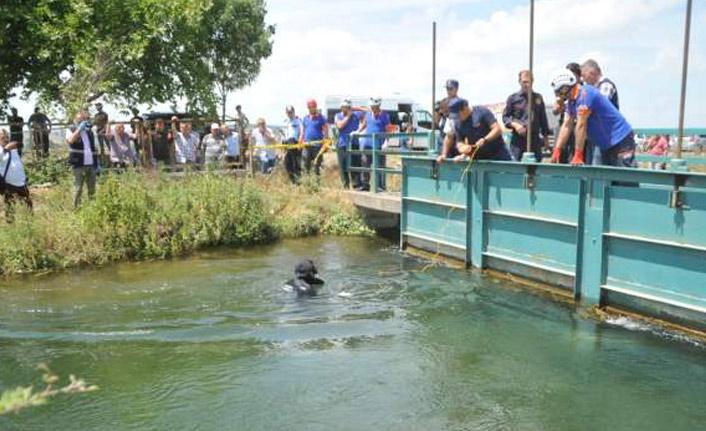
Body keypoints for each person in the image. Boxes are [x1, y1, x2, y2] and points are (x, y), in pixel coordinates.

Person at [549, 68, 636, 168]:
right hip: (605, 143)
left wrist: (578, 155)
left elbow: (581, 125)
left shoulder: (585, 94)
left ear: (566, 86)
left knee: (625, 178)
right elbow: (566, 126)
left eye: (559, 91)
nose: (557, 95)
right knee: (605, 179)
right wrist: (557, 150)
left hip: (621, 139)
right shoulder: (571, 102)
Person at [503, 70, 551, 162]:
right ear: (519, 81)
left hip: (535, 140)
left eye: (529, 81)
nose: (527, 84)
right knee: (517, 168)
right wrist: (516, 125)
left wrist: (546, 139)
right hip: (518, 141)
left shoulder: (538, 98)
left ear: (533, 81)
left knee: (535, 169)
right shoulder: (512, 98)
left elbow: (543, 119)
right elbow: (506, 117)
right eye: (524, 82)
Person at [581, 59, 620, 164]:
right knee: (592, 167)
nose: (583, 79)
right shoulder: (593, 88)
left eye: (584, 76)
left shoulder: (606, 85)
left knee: (598, 167)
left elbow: (598, 107)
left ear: (592, 73)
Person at [356, 97, 390, 191]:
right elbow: (365, 124)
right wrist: (358, 131)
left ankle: (380, 186)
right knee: (365, 164)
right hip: (367, 144)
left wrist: (386, 142)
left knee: (380, 166)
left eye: (374, 106)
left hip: (379, 145)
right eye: (371, 106)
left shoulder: (384, 115)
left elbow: (388, 130)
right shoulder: (368, 113)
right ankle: (365, 185)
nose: (372, 107)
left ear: (378, 105)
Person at [65, 111, 98, 208]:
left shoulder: (89, 132)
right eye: (80, 120)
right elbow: (70, 140)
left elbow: (92, 148)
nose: (83, 121)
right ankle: (76, 209)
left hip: (91, 164)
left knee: (92, 189)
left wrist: (97, 163)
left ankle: (93, 208)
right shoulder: (71, 129)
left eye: (84, 119)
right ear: (75, 120)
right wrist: (79, 129)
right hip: (78, 164)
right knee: (78, 189)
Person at [0, 129, 32, 222]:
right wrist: (6, 149)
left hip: (21, 183)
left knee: (28, 205)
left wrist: (24, 178)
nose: (6, 139)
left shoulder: (13, 150)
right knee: (10, 208)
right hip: (8, 184)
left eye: (7, 137)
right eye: (2, 138)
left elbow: (18, 164)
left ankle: (30, 224)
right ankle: (11, 228)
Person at [552, 62, 582, 163]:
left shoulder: (583, 91)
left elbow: (582, 124)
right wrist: (561, 102)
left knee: (575, 157)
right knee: (561, 156)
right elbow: (555, 111)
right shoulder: (563, 89)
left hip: (579, 127)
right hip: (565, 125)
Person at [334, 99, 362, 189]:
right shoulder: (338, 116)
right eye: (343, 107)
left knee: (355, 165)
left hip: (354, 143)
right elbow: (339, 126)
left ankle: (356, 185)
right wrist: (347, 117)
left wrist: (355, 108)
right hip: (342, 144)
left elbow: (368, 111)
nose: (345, 109)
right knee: (343, 166)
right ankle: (345, 186)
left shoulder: (356, 115)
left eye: (347, 107)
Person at [300, 99, 329, 177]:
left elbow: (326, 130)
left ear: (316, 107)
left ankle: (316, 183)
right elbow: (302, 131)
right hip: (306, 145)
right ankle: (306, 181)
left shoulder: (321, 118)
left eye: (313, 107)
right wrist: (300, 140)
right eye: (310, 107)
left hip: (317, 146)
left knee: (317, 165)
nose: (312, 108)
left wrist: (326, 142)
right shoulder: (305, 118)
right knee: (306, 164)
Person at [282, 106, 302, 183]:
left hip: (295, 143)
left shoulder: (298, 121)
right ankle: (292, 180)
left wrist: (300, 141)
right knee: (287, 163)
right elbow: (284, 133)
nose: (289, 114)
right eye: (288, 112)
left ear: (294, 112)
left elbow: (301, 131)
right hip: (286, 143)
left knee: (296, 163)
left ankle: (298, 180)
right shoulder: (285, 121)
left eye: (291, 112)